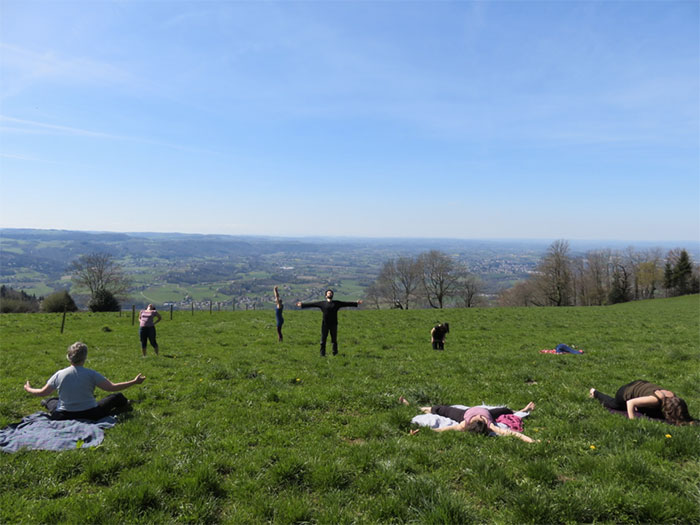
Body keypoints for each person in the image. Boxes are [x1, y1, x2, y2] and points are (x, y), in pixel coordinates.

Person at [23, 342, 146, 421]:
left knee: (51, 400)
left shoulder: (59, 374)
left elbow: (42, 392)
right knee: (117, 396)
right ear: (85, 357)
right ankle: (126, 404)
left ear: (68, 357)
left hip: (63, 416)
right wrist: (134, 381)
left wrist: (29, 388)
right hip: (91, 413)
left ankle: (47, 403)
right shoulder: (91, 374)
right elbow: (112, 387)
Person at [400, 396, 538, 443]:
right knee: (437, 408)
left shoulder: (464, 424)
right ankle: (412, 406)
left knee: (506, 410)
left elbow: (441, 430)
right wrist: (532, 441)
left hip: (466, 413)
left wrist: (424, 431)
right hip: (471, 413)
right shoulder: (490, 425)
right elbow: (513, 433)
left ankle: (523, 411)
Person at [589, 380, 696, 425]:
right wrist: (632, 421)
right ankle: (595, 393)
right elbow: (630, 403)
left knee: (652, 411)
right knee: (614, 405)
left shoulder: (672, 396)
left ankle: (640, 403)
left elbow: (677, 409)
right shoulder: (655, 400)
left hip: (641, 385)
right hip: (626, 392)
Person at [296, 289, 363, 356]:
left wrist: (356, 303)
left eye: (331, 293)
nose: (330, 294)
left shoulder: (336, 303)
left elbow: (346, 303)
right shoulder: (322, 303)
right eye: (328, 293)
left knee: (334, 340)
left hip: (334, 324)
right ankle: (322, 354)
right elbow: (312, 304)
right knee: (323, 340)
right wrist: (302, 305)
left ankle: (335, 353)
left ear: (332, 295)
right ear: (326, 295)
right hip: (325, 324)